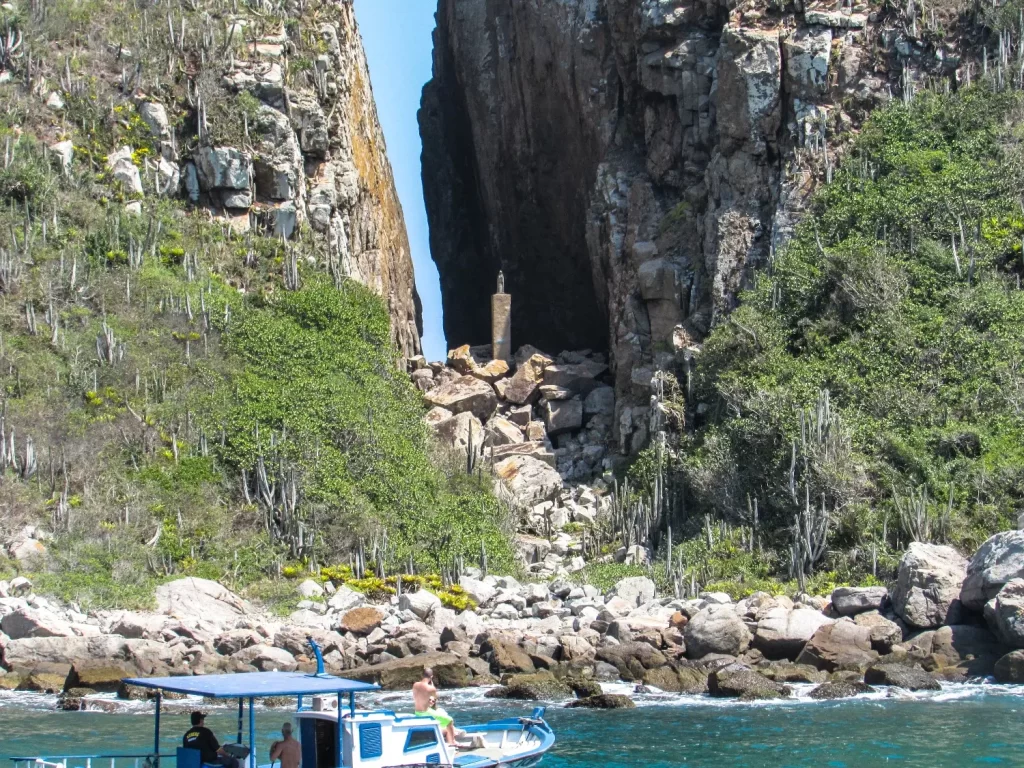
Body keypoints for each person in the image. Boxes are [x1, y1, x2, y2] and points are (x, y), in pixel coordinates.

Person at [412, 667, 456, 746]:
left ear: (422, 675)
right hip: (425, 712)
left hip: (417, 712)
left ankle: (446, 736)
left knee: (441, 719)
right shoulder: (431, 688)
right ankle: (452, 743)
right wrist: (432, 685)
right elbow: (435, 698)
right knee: (450, 720)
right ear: (431, 677)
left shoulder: (415, 685)